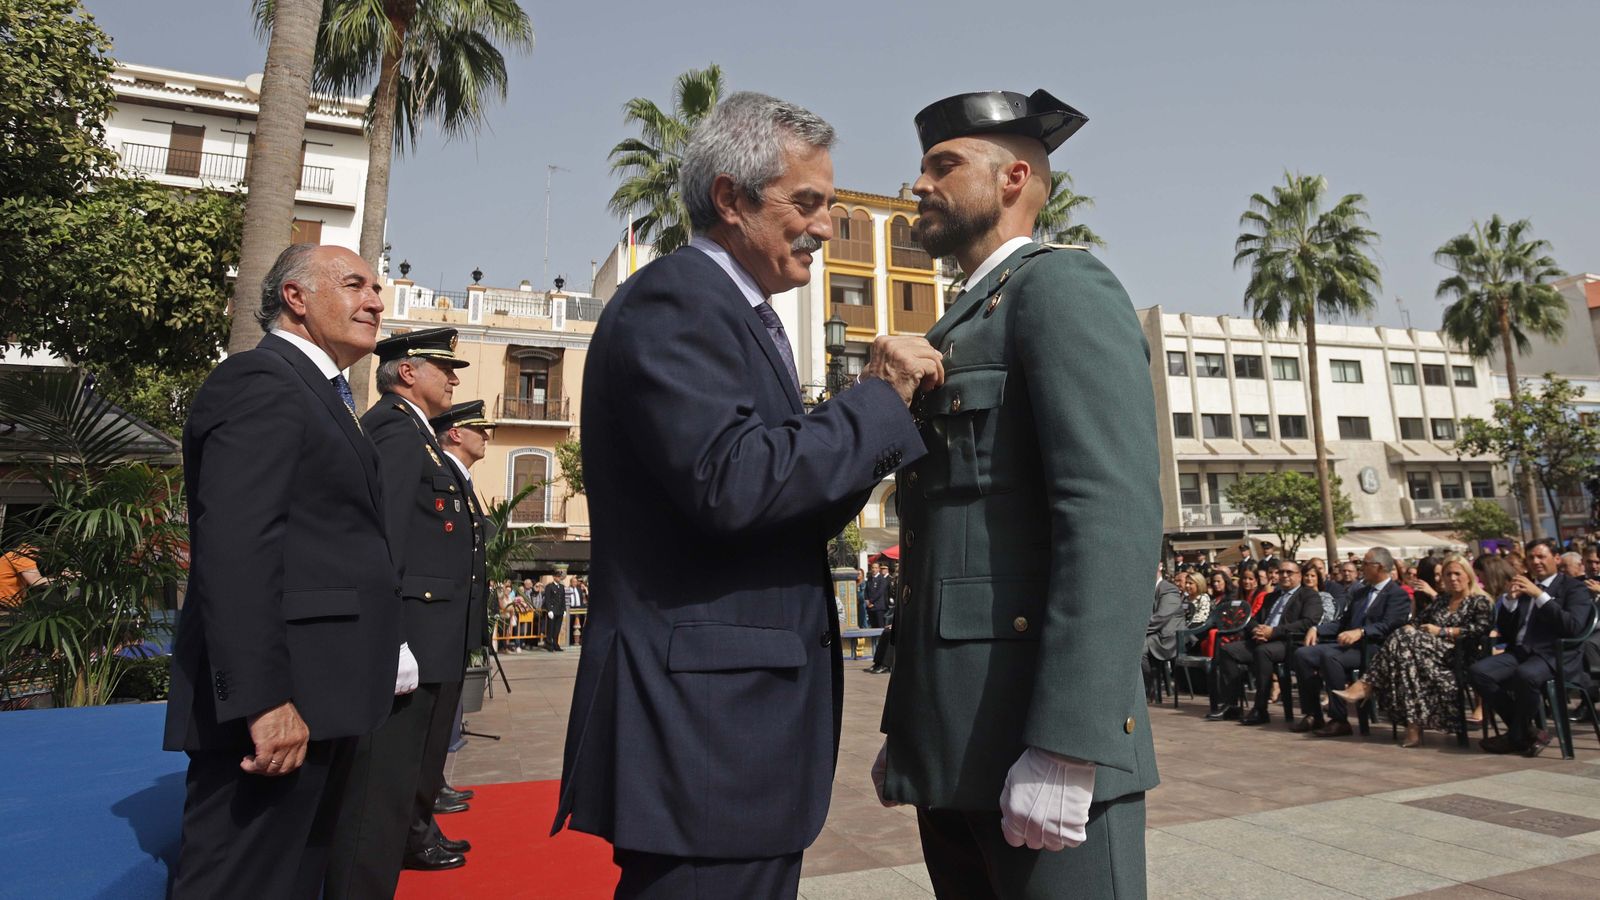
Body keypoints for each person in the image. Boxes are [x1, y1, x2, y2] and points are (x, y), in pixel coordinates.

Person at [551, 91, 941, 899]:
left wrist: (868, 429)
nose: (825, 226)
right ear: (731, 198)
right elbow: (732, 482)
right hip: (705, 736)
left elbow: (782, 508)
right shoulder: (679, 300)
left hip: (732, 732)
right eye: (808, 203)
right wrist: (875, 400)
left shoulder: (735, 311)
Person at [875, 88, 1159, 899]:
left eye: (944, 165)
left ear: (1013, 180)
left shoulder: (1060, 288)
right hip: (955, 738)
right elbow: (943, 544)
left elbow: (1109, 516)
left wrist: (1070, 741)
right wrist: (915, 725)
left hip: (1040, 739)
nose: (920, 184)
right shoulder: (960, 322)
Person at [164, 244, 401, 899]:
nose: (375, 303)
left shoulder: (320, 393)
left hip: (324, 699)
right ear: (295, 297)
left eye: (376, 290)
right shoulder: (260, 381)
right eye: (354, 285)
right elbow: (236, 551)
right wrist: (263, 701)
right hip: (276, 711)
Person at [326, 327, 477, 894]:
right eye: (444, 369)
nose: (453, 379)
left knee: (406, 770)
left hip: (430, 632)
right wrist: (391, 638)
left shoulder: (416, 433)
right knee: (381, 782)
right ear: (408, 372)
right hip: (410, 632)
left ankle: (394, 858)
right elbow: (384, 538)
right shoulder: (394, 429)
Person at [1334, 554, 1497, 748]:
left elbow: (1480, 630)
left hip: (1459, 655)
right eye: (1448, 574)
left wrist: (1443, 631)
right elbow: (1417, 621)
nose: (1452, 578)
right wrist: (1410, 628)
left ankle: (1368, 685)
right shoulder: (1442, 601)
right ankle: (1412, 726)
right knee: (1406, 652)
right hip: (1424, 655)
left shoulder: (1479, 601)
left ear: (1468, 576)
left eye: (1457, 574)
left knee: (1404, 645)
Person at [429, 400, 496, 815]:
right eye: (479, 429)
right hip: (437, 620)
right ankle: (427, 793)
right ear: (455, 434)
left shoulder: (462, 481)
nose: (486, 436)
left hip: (455, 621)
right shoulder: (445, 475)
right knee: (430, 720)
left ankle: (433, 785)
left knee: (441, 718)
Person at [1472, 538, 1595, 756]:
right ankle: (1528, 731)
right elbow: (1507, 632)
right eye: (1531, 558)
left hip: (1555, 655)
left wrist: (1540, 596)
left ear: (1556, 559)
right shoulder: (1524, 586)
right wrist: (1510, 602)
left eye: (1541, 556)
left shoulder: (1573, 588)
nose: (1536, 561)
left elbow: (1572, 627)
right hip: (1521, 652)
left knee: (1525, 675)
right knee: (1479, 672)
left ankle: (1515, 736)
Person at [1291, 547, 1412, 737]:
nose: (1362, 567)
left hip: (1374, 648)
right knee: (1302, 654)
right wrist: (1317, 629)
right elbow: (1343, 623)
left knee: (1330, 657)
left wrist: (1362, 632)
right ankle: (1313, 714)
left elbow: (1390, 625)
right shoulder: (1361, 593)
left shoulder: (1397, 594)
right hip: (1349, 645)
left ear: (1379, 567)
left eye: (1365, 564)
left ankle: (1339, 719)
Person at [1218, 560, 1323, 726]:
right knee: (1227, 651)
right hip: (1262, 639)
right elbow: (1252, 619)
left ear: (1299, 575)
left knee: (1263, 652)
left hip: (1287, 642)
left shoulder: (1308, 595)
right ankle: (1232, 705)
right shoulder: (1271, 596)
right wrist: (1256, 630)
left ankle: (1260, 709)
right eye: (1281, 572)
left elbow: (1308, 622)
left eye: (1289, 572)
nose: (1284, 576)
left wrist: (1273, 632)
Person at [1144, 569, 1185, 700]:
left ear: (1159, 569)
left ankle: (1146, 689)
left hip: (1168, 638)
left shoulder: (1168, 589)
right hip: (1154, 634)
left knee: (1137, 649)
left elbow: (1161, 617)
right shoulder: (1146, 588)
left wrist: (1137, 631)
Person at [542, 573, 568, 651]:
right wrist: (549, 610)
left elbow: (563, 599)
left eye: (560, 577)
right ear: (554, 577)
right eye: (558, 577)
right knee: (550, 628)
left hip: (559, 610)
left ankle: (556, 644)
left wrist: (564, 609)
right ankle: (549, 644)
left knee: (557, 629)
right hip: (553, 610)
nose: (559, 578)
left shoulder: (562, 587)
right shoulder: (549, 586)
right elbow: (547, 599)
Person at [864, 562, 891, 628]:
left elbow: (879, 592)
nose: (874, 569)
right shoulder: (870, 579)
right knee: (873, 626)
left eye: (876, 568)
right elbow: (866, 590)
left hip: (879, 607)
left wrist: (871, 601)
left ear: (879, 569)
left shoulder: (882, 579)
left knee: (880, 626)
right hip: (870, 607)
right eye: (873, 568)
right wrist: (866, 600)